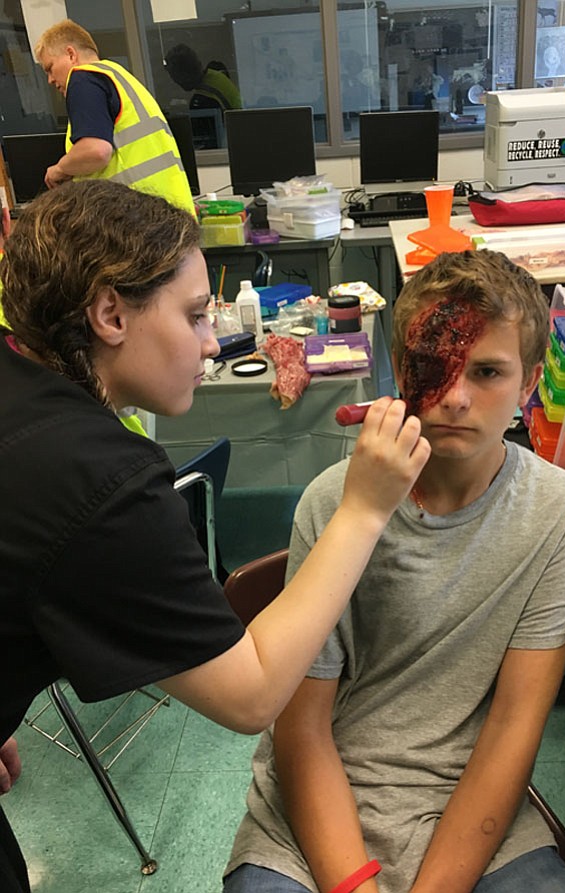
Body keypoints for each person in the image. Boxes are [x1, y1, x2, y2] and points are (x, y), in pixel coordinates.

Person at [0, 179, 430, 893]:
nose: (211, 341)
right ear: (110, 312)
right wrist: (364, 508)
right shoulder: (101, 481)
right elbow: (252, 694)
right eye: (196, 314)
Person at [223, 250, 565, 893]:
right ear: (402, 369)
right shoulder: (334, 502)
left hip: (469, 800)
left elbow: (514, 727)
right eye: (433, 369)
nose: (455, 396)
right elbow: (304, 727)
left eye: (486, 372)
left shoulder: (562, 517)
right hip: (317, 804)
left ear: (530, 382)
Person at [35, 19, 194, 213]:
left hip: (139, 221)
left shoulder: (83, 78)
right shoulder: (119, 76)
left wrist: (59, 169)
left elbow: (96, 151)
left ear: (71, 54)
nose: (50, 80)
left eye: (50, 68)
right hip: (171, 216)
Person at [164, 44, 242, 115]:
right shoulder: (217, 76)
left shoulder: (202, 101)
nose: (175, 82)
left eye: (174, 76)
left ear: (183, 76)